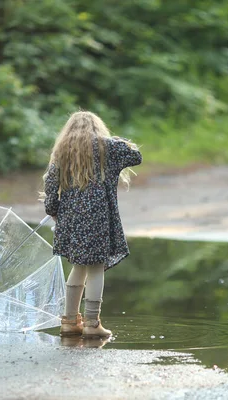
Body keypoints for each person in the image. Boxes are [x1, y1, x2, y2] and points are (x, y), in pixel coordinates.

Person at [41, 111, 142, 338]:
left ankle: (68, 322)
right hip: (97, 216)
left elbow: (50, 182)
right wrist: (113, 140)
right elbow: (136, 156)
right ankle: (92, 324)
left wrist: (53, 209)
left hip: (71, 216)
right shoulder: (108, 148)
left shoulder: (63, 150)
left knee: (78, 266)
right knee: (96, 267)